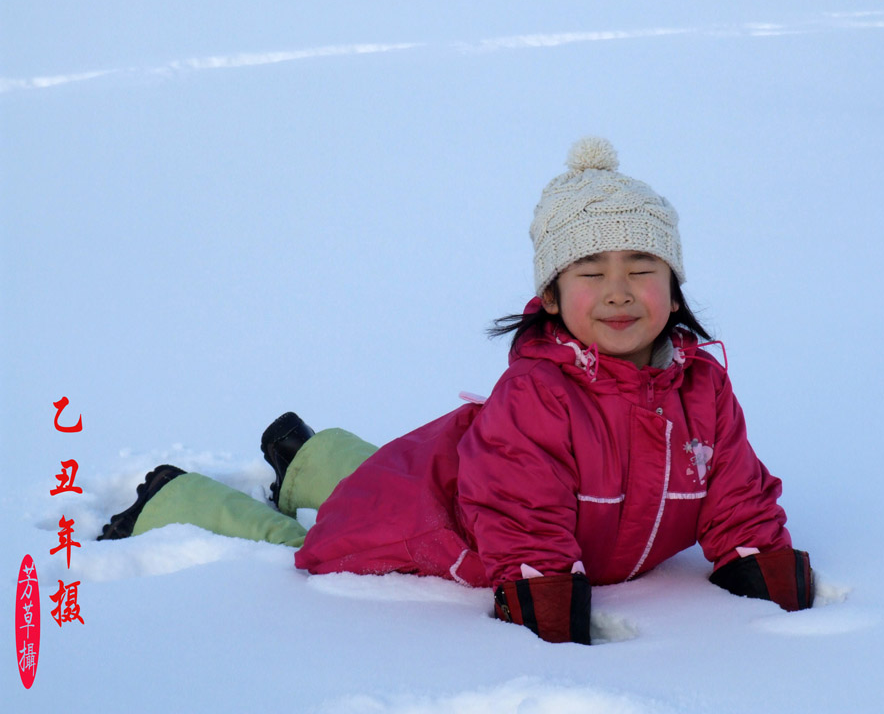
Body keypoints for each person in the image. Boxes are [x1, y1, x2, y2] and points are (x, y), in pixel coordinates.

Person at [98, 137, 814, 644]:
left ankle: (309, 457)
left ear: (674, 283)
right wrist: (544, 595)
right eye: (591, 270)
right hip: (461, 528)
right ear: (554, 296)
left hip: (458, 470)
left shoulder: (703, 388)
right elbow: (521, 515)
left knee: (392, 480)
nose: (619, 292)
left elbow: (736, 494)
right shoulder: (540, 396)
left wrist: (761, 564)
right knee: (324, 541)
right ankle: (179, 497)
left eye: (643, 267)